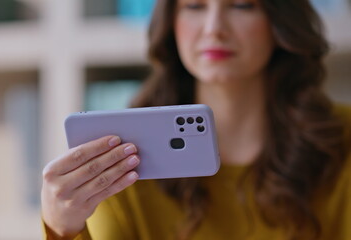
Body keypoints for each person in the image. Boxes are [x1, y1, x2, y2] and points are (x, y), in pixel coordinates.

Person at [41, 0, 351, 239]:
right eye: (194, 5)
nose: (214, 28)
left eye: (242, 4)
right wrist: (62, 228)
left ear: (280, 19)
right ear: (172, 22)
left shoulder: (343, 141)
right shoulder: (124, 153)